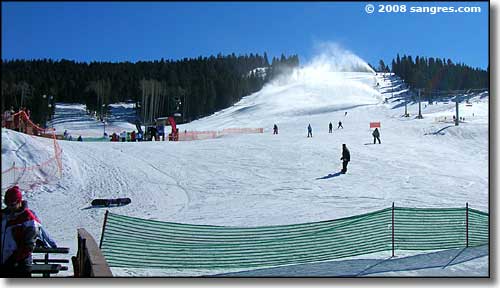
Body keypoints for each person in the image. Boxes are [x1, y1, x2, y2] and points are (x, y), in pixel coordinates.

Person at [1, 186, 41, 277]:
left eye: (13, 204)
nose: (10, 207)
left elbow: (29, 245)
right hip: (4, 263)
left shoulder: (28, 219)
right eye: (8, 204)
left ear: (19, 202)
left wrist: (14, 260)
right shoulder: (3, 216)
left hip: (20, 265)